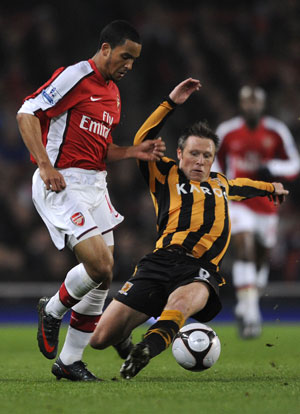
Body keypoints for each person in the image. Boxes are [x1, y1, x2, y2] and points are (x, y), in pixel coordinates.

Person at [89, 78, 289, 379]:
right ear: (179, 154)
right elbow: (144, 135)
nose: (200, 161)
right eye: (194, 153)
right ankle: (126, 338)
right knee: (99, 339)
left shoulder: (221, 183)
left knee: (181, 304)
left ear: (213, 159)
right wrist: (170, 102)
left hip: (200, 268)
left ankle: (145, 351)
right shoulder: (163, 172)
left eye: (207, 156)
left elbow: (244, 186)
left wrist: (270, 187)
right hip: (159, 262)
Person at [16, 20, 165, 382]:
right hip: (62, 182)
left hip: (95, 184)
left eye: (135, 59)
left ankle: (69, 361)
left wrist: (132, 151)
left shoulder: (113, 92)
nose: (129, 64)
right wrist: (47, 165)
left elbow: (100, 149)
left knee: (104, 278)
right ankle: (51, 310)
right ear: (105, 49)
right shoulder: (75, 77)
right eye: (125, 56)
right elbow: (26, 113)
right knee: (99, 267)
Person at [213, 85, 300, 339]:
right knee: (244, 246)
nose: (251, 106)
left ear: (262, 105)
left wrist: (271, 166)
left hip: (267, 203)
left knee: (261, 259)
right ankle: (251, 315)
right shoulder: (228, 131)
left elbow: (295, 162)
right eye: (246, 102)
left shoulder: (276, 131)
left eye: (255, 102)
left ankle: (246, 303)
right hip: (238, 199)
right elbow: (214, 159)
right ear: (241, 104)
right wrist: (221, 184)